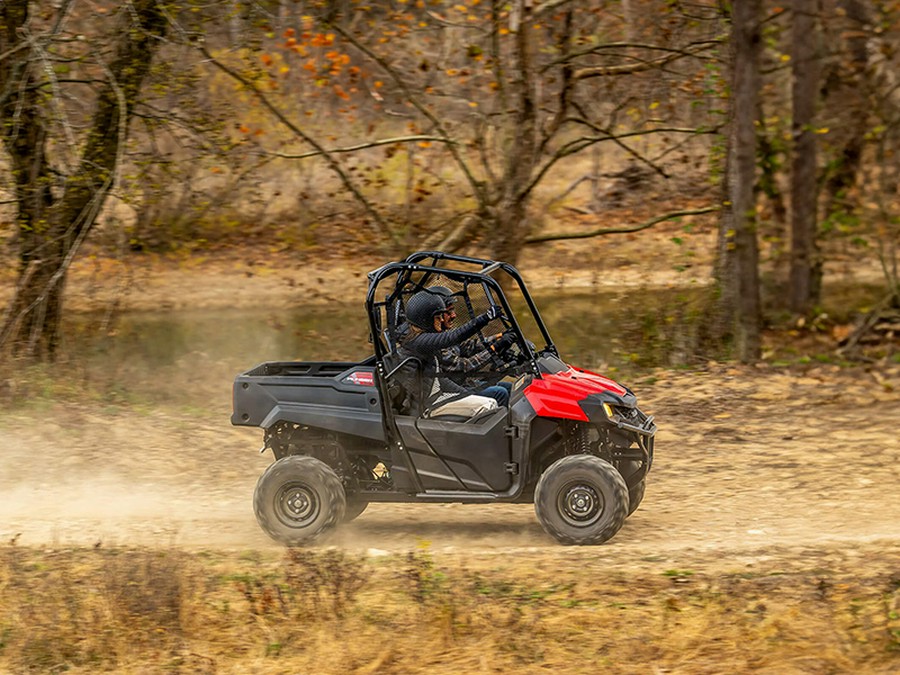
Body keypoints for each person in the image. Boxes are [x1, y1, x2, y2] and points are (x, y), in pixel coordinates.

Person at [397, 289, 505, 415]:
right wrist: (485, 318)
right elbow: (453, 338)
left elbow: (440, 380)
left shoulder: (422, 340)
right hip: (429, 404)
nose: (442, 320)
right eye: (438, 317)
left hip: (438, 395)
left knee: (502, 389)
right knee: (489, 404)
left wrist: (465, 394)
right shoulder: (418, 341)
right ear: (426, 319)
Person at [428, 286, 514, 406]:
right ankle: (501, 424)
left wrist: (499, 336)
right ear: (436, 315)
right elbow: (465, 366)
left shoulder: (444, 334)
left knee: (511, 388)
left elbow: (468, 346)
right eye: (448, 312)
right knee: (500, 393)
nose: (454, 315)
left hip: (465, 384)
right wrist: (494, 349)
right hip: (452, 393)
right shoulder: (433, 342)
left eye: (453, 310)